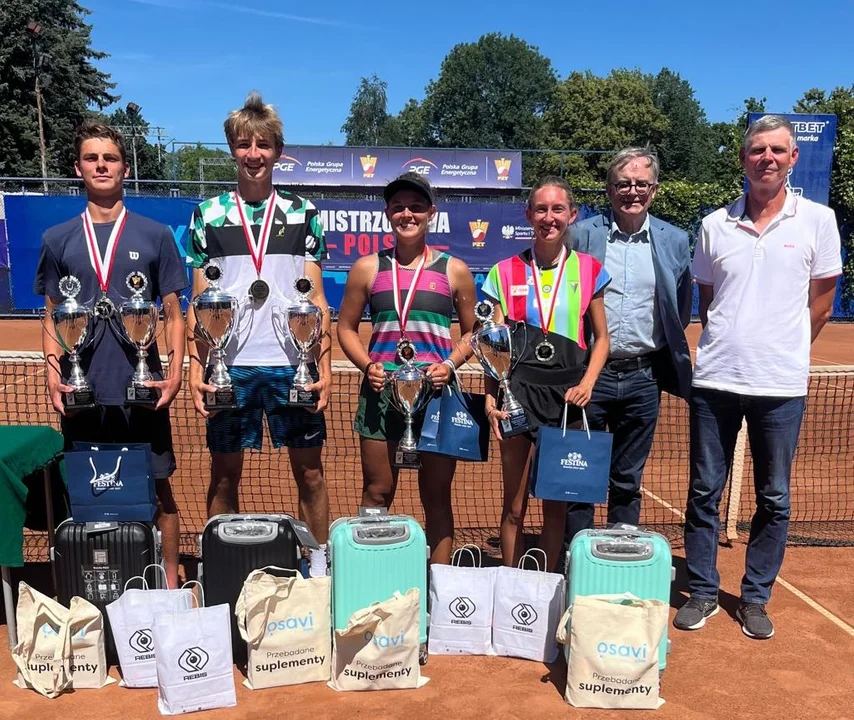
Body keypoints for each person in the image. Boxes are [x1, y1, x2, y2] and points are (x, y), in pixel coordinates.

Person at [675, 115, 841, 639]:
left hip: (781, 386)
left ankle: (754, 597)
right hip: (716, 380)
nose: (766, 158)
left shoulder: (819, 220)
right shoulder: (713, 224)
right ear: (744, 158)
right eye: (757, 150)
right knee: (704, 490)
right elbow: (709, 301)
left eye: (776, 150)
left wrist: (782, 349)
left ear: (793, 158)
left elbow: (822, 303)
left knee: (774, 497)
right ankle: (703, 591)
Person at [186, 91, 332, 577]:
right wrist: (197, 367)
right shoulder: (207, 214)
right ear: (232, 149)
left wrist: (324, 367)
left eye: (263, 144)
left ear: (277, 151)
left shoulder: (303, 212)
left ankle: (318, 567)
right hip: (230, 366)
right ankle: (223, 568)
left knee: (309, 472)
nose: (254, 154)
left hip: (292, 363)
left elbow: (317, 298)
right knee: (225, 473)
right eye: (245, 144)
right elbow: (199, 301)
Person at [35, 121, 187, 588]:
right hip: (83, 386)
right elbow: (51, 314)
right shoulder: (58, 238)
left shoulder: (156, 234)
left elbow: (174, 312)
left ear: (125, 168)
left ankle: (169, 583)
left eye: (111, 158)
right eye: (92, 158)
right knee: (88, 491)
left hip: (142, 385)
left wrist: (176, 372)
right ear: (78, 168)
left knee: (158, 491)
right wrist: (53, 374)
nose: (101, 165)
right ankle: (94, 584)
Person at [336, 172, 477, 565]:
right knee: (377, 490)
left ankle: (440, 586)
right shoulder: (367, 268)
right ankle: (371, 575)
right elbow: (345, 327)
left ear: (431, 213)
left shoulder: (454, 270)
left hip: (436, 396)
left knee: (436, 495)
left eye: (416, 207)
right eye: (398, 207)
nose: (407, 214)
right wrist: (367, 365)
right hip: (381, 393)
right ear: (388, 214)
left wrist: (450, 364)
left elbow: (473, 333)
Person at [481, 176, 610, 572]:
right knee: (514, 506)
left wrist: (587, 383)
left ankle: (548, 586)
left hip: (567, 399)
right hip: (517, 393)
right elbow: (494, 343)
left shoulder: (589, 270)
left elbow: (603, 339)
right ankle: (511, 584)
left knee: (556, 506)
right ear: (528, 215)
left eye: (558, 209)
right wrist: (490, 397)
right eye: (541, 209)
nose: (549, 217)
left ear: (572, 214)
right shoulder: (504, 272)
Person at [564, 147, 692, 544]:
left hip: (643, 377)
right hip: (588, 376)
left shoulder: (675, 240)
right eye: (622, 184)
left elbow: (679, 307)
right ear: (609, 189)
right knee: (579, 475)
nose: (632, 192)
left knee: (627, 478)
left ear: (654, 189)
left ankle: (619, 554)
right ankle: (575, 556)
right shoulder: (581, 235)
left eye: (640, 184)